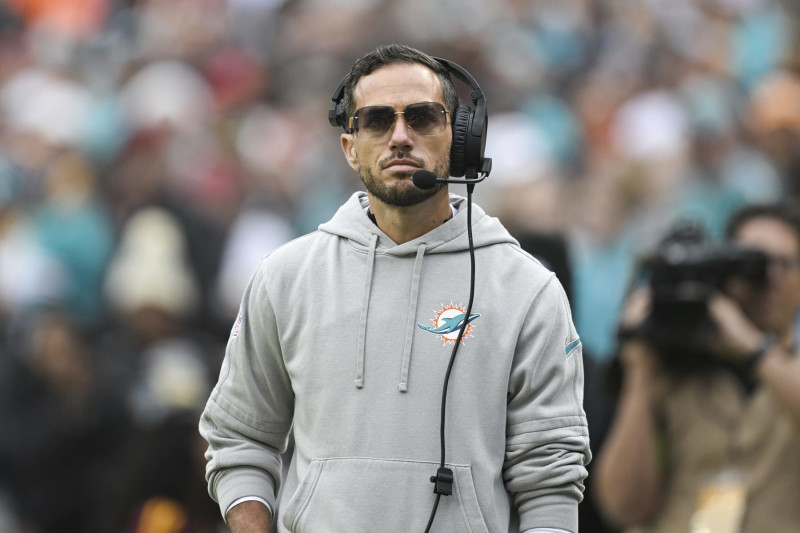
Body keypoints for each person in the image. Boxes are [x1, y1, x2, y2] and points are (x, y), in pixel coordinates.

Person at [199, 44, 590, 533]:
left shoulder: (528, 290)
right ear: (350, 147)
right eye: (378, 120)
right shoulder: (285, 277)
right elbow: (239, 437)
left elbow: (549, 479)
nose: (400, 137)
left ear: (460, 138)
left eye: (423, 117)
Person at [594, 203, 800, 532]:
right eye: (754, 263)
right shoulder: (676, 371)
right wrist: (640, 373)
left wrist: (751, 346)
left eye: (784, 264)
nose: (769, 278)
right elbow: (623, 506)